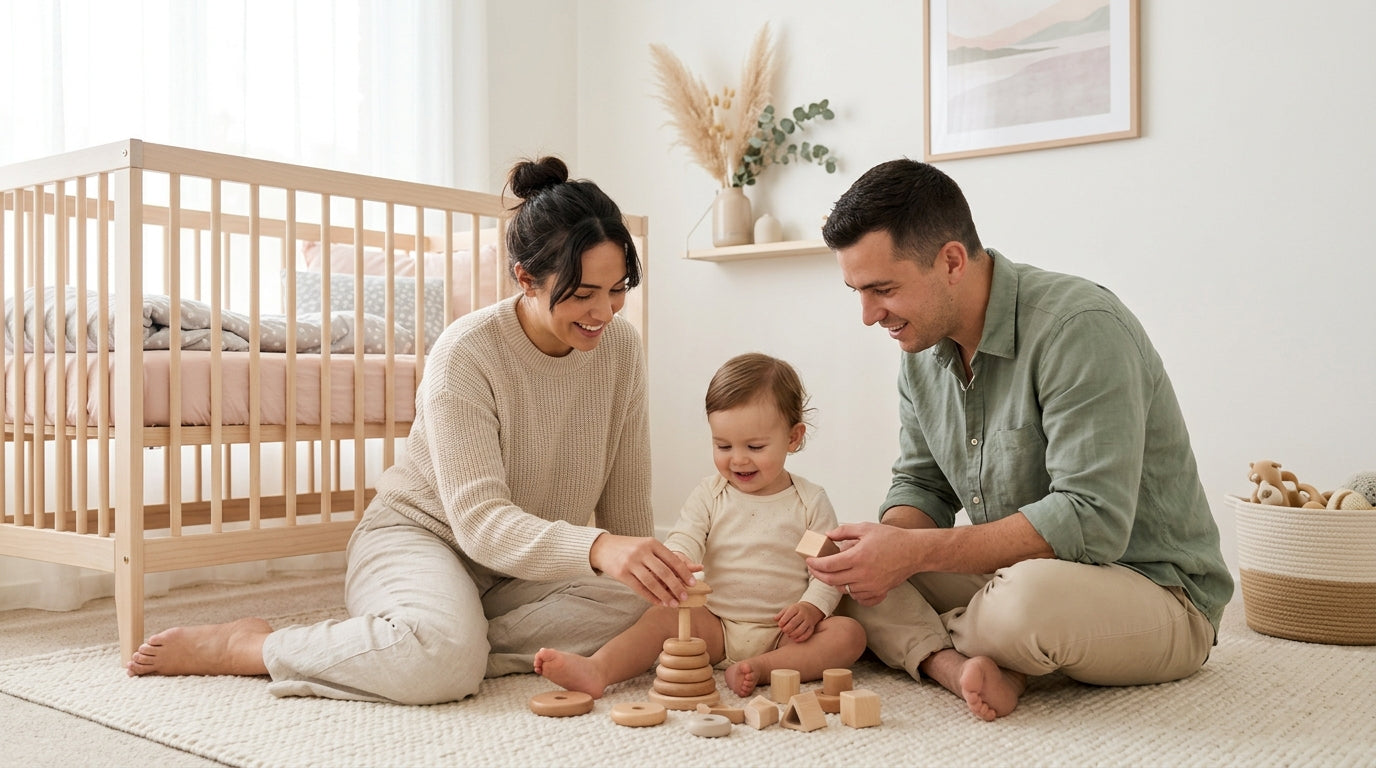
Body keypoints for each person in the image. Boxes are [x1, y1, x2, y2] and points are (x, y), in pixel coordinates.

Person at [125, 156, 699, 705]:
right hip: (420, 539)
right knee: (446, 659)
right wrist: (599, 548)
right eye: (582, 295)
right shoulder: (467, 352)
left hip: (524, 568)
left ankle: (438, 641)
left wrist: (649, 572)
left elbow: (626, 509)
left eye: (618, 289)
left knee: (651, 604)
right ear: (526, 278)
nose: (604, 312)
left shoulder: (619, 350)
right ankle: (252, 646)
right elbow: (481, 524)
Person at [807, 159, 1233, 721]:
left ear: (952, 261)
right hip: (1016, 571)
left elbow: (1092, 518)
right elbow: (922, 485)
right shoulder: (920, 353)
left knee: (1019, 607)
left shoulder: (1078, 326)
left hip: (1154, 589)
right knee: (840, 571)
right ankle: (958, 666)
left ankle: (956, 639)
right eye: (857, 291)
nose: (867, 316)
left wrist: (913, 556)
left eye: (883, 289)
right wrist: (883, 551)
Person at [534, 353, 866, 699]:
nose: (737, 458)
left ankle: (765, 668)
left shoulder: (808, 502)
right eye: (723, 445)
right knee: (659, 619)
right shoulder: (711, 494)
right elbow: (686, 538)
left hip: (785, 633)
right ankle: (598, 669)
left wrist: (811, 609)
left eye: (755, 446)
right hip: (716, 626)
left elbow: (828, 571)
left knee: (849, 634)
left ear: (793, 438)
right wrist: (676, 560)